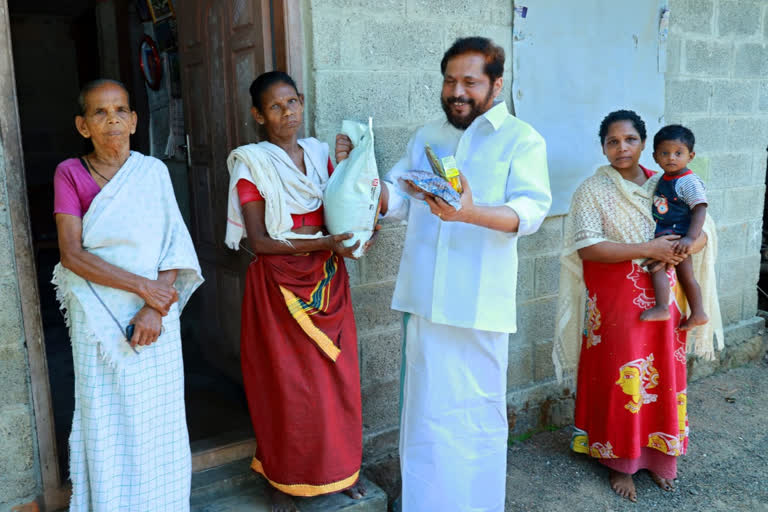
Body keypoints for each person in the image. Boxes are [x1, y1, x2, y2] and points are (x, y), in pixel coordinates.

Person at [338, 37, 552, 511]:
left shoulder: (522, 139)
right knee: (425, 417)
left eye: (470, 82)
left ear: (496, 85)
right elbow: (394, 198)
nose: (457, 91)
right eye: (450, 80)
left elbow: (530, 212)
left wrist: (470, 213)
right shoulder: (427, 135)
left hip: (480, 303)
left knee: (476, 416)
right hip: (424, 300)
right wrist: (357, 172)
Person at [553, 110, 723, 502]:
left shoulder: (666, 181)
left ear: (643, 143)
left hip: (666, 299)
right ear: (603, 148)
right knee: (621, 381)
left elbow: (702, 226)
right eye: (613, 142)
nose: (622, 148)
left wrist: (683, 248)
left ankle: (661, 460)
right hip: (618, 306)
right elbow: (588, 246)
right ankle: (620, 463)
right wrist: (648, 249)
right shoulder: (592, 190)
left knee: (664, 377)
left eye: (630, 139)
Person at [53, 79, 203, 511]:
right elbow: (72, 254)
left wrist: (155, 307)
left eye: (120, 110)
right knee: (107, 415)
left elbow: (173, 242)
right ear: (83, 126)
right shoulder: (71, 173)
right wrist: (144, 289)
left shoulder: (152, 172)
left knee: (159, 417)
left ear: (135, 120)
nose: (112, 119)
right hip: (99, 318)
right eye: (99, 113)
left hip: (156, 316)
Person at [224, 71, 369, 512]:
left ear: (302, 103)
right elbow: (261, 243)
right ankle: (282, 478)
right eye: (275, 106)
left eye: (292, 102)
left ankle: (339, 470)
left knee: (336, 380)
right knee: (287, 386)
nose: (287, 113)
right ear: (258, 115)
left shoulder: (319, 153)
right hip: (279, 286)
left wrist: (351, 169)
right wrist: (328, 242)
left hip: (326, 280)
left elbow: (340, 202)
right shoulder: (252, 164)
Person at [640, 124, 709, 330]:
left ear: (691, 155)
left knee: (657, 266)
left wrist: (689, 238)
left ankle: (663, 307)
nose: (671, 158)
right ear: (655, 157)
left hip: (678, 234)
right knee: (685, 275)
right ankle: (698, 313)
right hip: (669, 231)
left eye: (678, 153)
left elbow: (700, 209)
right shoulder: (662, 179)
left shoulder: (687, 181)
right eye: (665, 153)